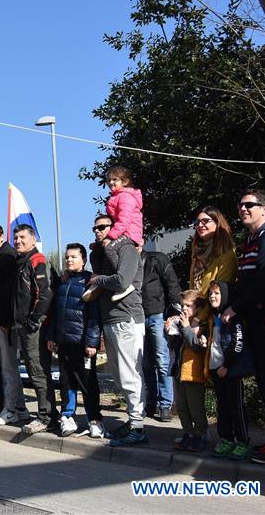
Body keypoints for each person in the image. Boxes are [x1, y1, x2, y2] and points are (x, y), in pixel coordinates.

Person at [223, 189, 265, 464]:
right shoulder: (253, 238)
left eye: (250, 204)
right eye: (240, 204)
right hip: (257, 318)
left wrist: (235, 308)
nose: (243, 208)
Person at [89, 215, 147, 447]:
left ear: (115, 227)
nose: (97, 231)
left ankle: (138, 426)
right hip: (110, 318)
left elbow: (122, 281)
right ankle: (133, 421)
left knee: (130, 374)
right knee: (119, 375)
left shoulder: (126, 247)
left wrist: (98, 278)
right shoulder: (104, 253)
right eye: (95, 228)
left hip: (127, 318)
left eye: (102, 227)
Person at [46, 244, 103, 438]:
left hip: (83, 344)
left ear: (83, 260)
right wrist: (52, 336)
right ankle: (67, 417)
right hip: (64, 342)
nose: (69, 260)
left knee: (88, 383)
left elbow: (95, 316)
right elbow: (55, 313)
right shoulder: (62, 282)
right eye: (67, 257)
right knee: (66, 382)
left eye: (74, 257)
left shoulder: (90, 281)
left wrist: (92, 342)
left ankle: (95, 420)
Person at [9, 225, 56, 434]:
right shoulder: (22, 262)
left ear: (33, 238)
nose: (18, 241)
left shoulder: (37, 260)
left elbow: (45, 294)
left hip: (34, 329)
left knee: (38, 373)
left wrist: (33, 321)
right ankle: (47, 415)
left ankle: (46, 417)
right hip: (21, 326)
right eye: (16, 237)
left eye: (22, 237)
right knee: (33, 372)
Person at [0, 224, 28, 425]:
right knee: (6, 366)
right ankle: (20, 408)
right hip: (0, 319)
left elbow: (9, 293)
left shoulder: (7, 257)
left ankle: (11, 409)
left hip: (5, 321)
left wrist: (6, 320)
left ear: (2, 236)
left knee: (9, 367)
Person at [83, 166, 144, 303]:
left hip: (129, 233)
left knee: (109, 247)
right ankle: (98, 278)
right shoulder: (116, 197)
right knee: (96, 252)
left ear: (125, 181)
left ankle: (124, 281)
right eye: (109, 180)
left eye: (115, 180)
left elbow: (124, 220)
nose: (111, 183)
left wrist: (110, 237)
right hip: (122, 232)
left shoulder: (126, 197)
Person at [208, 282, 253, 461]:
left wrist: (227, 366)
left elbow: (238, 344)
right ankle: (226, 439)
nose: (212, 296)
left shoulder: (233, 317)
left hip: (231, 370)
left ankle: (243, 441)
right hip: (217, 370)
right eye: (211, 293)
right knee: (222, 406)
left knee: (236, 406)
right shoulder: (214, 318)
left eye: (217, 293)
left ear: (225, 295)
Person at [140, 247, 183, 423]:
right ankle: (151, 402)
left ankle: (165, 405)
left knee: (162, 360)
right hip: (137, 317)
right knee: (146, 363)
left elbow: (172, 284)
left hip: (158, 315)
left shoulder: (156, 259)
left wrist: (174, 311)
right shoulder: (126, 262)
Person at [166, 290, 211, 452]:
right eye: (182, 305)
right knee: (182, 407)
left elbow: (197, 347)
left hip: (193, 374)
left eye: (188, 306)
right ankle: (188, 434)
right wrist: (171, 332)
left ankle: (200, 435)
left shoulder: (203, 326)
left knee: (195, 407)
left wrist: (186, 328)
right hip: (178, 372)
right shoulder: (180, 322)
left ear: (198, 308)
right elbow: (174, 348)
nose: (184, 309)